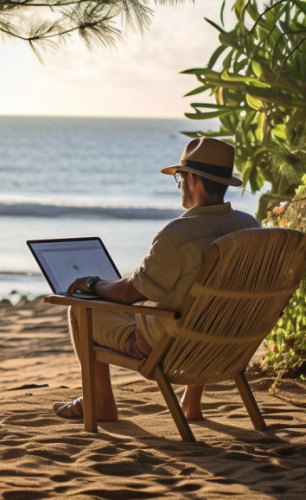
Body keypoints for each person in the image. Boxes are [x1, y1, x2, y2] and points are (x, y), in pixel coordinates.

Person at [54, 137, 259, 422]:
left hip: (167, 348)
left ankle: (101, 403)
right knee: (203, 302)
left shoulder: (179, 234)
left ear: (192, 180)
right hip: (224, 343)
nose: (179, 186)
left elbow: (129, 294)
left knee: (80, 308)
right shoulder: (249, 227)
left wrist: (93, 284)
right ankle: (191, 403)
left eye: (179, 178)